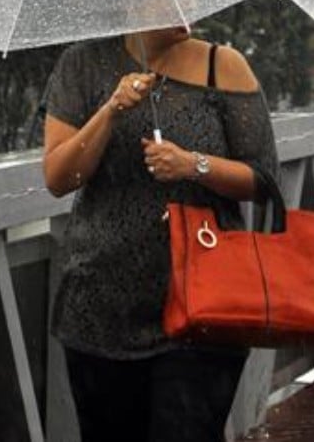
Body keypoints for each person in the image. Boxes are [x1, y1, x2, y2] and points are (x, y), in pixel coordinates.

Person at [42, 24, 278, 441]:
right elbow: (60, 177)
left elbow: (262, 180)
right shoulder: (82, 64)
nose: (185, 1)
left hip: (201, 306)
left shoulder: (222, 66)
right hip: (100, 305)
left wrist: (194, 165)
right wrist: (111, 111)